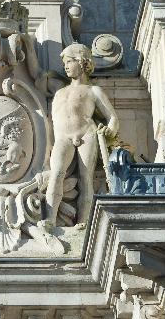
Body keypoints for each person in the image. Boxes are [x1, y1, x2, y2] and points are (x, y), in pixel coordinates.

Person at [42, 42, 119, 228]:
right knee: (56, 174)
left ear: (82, 62)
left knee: (86, 178)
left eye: (69, 61)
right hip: (63, 138)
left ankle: (84, 220)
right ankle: (50, 219)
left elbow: (113, 118)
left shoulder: (93, 91)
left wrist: (110, 130)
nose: (66, 66)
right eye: (65, 63)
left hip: (87, 135)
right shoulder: (60, 92)